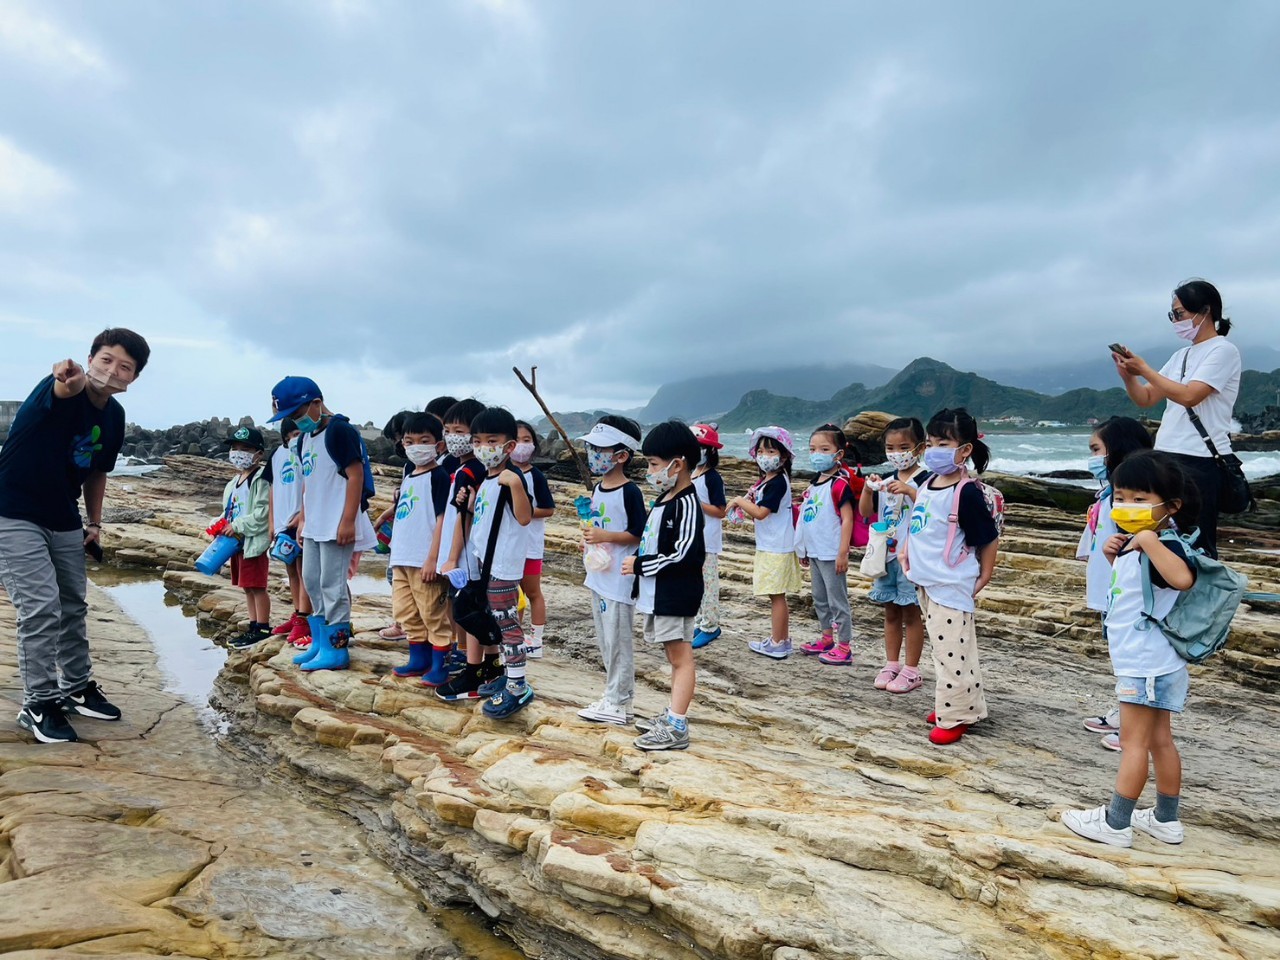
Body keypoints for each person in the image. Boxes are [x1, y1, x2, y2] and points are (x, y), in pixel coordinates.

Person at [0, 327, 150, 743]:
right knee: (40, 607)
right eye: (105, 360)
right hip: (12, 511)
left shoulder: (114, 416)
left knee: (72, 604)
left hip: (64, 516)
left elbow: (97, 470)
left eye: (124, 367)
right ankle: (39, 702)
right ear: (91, 359)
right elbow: (66, 385)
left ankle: (76, 688)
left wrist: (94, 523)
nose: (112, 371)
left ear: (133, 378)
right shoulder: (62, 387)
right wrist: (67, 376)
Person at [1062, 451, 1196, 848]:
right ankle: (1165, 820)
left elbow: (1182, 578)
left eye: (1140, 499)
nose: (1126, 506)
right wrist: (1117, 554)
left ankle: (1116, 823)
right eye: (1120, 497)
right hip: (1157, 663)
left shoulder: (1163, 543)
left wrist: (1150, 540)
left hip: (1145, 665)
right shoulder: (1135, 545)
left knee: (1135, 742)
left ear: (1170, 506)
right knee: (1159, 741)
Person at [1112, 278, 1241, 558]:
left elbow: (1189, 396)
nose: (1176, 320)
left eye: (1180, 313)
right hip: (1167, 455)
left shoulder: (1223, 350)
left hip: (1199, 458)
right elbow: (1146, 399)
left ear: (1205, 311)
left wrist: (1145, 369)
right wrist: (1129, 376)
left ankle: (1200, 596)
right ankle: (1165, 594)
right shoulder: (1181, 355)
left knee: (1197, 538)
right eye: (1173, 315)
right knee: (1163, 532)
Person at [899, 408, 999, 746]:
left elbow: (987, 535)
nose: (933, 450)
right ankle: (960, 704)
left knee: (952, 652)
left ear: (965, 449)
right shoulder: (928, 481)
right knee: (948, 650)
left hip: (952, 582)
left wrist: (985, 573)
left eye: (943, 443)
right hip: (927, 579)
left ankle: (955, 715)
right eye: (930, 443)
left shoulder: (966, 491)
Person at [268, 376, 366, 673]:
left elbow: (356, 475)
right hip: (313, 524)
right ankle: (320, 642)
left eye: (297, 414)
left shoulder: (339, 431)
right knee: (311, 580)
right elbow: (310, 482)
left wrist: (348, 520)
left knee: (332, 585)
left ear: (316, 403)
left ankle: (337, 650)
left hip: (337, 524)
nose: (295, 421)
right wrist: (302, 519)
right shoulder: (306, 439)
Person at [623, 421, 705, 751]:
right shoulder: (664, 498)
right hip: (659, 594)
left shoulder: (685, 502)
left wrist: (641, 565)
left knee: (681, 657)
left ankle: (677, 725)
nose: (650, 470)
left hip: (675, 594)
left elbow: (683, 552)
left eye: (654, 464)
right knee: (674, 657)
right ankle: (673, 715)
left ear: (678, 463)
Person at [1077, 417, 1154, 750]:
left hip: (1128, 593)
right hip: (1110, 590)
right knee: (1122, 657)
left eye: (1096, 450)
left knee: (1137, 659)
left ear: (1118, 451)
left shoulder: (1132, 500)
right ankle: (1125, 712)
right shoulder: (1109, 493)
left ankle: (1137, 725)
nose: (1092, 458)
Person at [452, 407, 534, 719]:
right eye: (478, 440)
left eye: (492, 440)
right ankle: (507, 675)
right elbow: (485, 524)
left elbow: (524, 518)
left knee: (508, 625)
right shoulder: (487, 481)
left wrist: (515, 484)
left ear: (509, 446)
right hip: (487, 566)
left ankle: (517, 685)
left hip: (503, 567)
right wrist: (469, 507)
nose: (484, 446)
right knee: (497, 622)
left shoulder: (511, 479)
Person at [576, 416, 646, 725]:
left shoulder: (629, 492)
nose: (593, 454)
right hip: (599, 574)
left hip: (619, 579)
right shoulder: (600, 489)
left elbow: (637, 532)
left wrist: (606, 537)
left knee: (618, 641)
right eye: (591, 447)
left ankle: (618, 702)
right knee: (606, 640)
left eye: (600, 449)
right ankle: (616, 697)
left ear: (621, 456)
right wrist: (591, 542)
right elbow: (598, 524)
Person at [857, 418, 929, 692]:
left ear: (919, 448)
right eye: (890, 447)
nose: (896, 453)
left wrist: (911, 491)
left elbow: (932, 512)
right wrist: (867, 489)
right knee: (890, 611)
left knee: (911, 613)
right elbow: (866, 512)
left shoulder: (927, 480)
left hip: (910, 557)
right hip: (885, 557)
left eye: (904, 447)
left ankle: (912, 669)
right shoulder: (886, 480)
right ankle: (891, 664)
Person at [433, 399, 494, 700]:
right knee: (475, 610)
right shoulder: (465, 468)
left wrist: (452, 557)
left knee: (469, 611)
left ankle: (474, 670)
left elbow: (464, 519)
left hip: (469, 555)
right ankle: (487, 666)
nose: (452, 436)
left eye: (459, 430)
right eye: (447, 430)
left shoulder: (471, 472)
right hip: (469, 553)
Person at [388, 412, 453, 685]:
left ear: (439, 445)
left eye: (423, 440)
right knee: (405, 611)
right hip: (401, 556)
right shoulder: (409, 474)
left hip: (424, 559)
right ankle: (419, 658)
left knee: (432, 612)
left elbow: (442, 519)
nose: (416, 446)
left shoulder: (439, 476)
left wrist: (433, 559)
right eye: (409, 440)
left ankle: (440, 665)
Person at [727, 426, 801, 660]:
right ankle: (781, 639)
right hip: (771, 544)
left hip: (776, 547)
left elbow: (761, 513)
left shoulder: (777, 482)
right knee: (775, 595)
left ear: (784, 455)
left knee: (776, 595)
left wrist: (739, 500)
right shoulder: (767, 480)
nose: (764, 456)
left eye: (771, 451)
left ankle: (778, 643)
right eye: (761, 451)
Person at [795, 424, 857, 664]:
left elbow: (848, 518)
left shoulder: (839, 484)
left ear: (838, 454)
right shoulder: (814, 485)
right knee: (820, 598)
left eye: (824, 449)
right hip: (816, 552)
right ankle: (826, 637)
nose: (816, 454)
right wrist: (804, 549)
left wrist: (843, 551)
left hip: (832, 552)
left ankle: (844, 645)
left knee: (837, 599)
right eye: (812, 449)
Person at [221, 426, 273, 649]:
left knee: (257, 586)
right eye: (235, 448)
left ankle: (262, 627)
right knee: (246, 586)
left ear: (258, 453)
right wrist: (221, 525)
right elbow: (230, 509)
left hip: (252, 541)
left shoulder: (260, 479)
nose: (238, 453)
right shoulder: (235, 481)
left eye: (245, 448)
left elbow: (262, 513)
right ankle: (253, 625)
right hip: (237, 543)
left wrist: (238, 525)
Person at [268, 418, 313, 648]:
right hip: (283, 524)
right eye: (290, 436)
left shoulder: (311, 452)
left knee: (304, 570)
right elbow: (273, 487)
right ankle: (297, 613)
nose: (294, 439)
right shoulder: (277, 455)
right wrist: (272, 523)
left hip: (302, 520)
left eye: (298, 433)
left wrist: (301, 517)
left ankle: (305, 619)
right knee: (291, 569)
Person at [512, 420, 555, 659]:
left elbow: (548, 509)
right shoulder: (504, 473)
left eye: (527, 440)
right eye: (517, 439)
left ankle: (536, 640)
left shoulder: (535, 476)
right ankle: (514, 637)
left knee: (532, 592)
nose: (521, 445)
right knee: (511, 593)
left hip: (530, 545)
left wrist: (523, 512)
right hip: (508, 546)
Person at [375, 409, 416, 641]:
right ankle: (402, 622)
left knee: (402, 578)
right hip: (402, 531)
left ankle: (405, 624)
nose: (398, 444)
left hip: (412, 535)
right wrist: (383, 517)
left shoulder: (420, 467)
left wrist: (382, 517)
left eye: (398, 437)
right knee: (396, 577)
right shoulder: (409, 467)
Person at [689, 424, 727, 649]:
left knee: (708, 584)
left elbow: (720, 510)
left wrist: (698, 503)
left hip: (708, 540)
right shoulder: (694, 473)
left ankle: (711, 625)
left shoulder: (712, 478)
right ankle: (701, 621)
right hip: (692, 538)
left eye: (702, 447)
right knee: (695, 584)